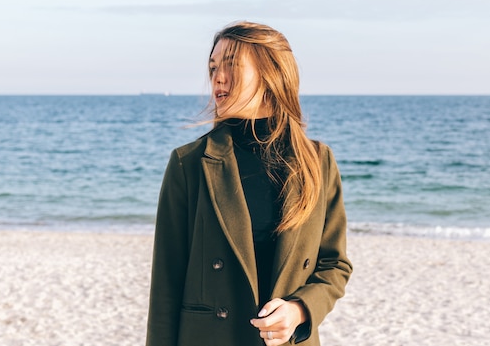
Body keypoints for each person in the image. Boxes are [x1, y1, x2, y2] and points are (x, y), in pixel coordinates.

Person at [145, 21, 352, 346]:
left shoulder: (317, 161)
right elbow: (165, 286)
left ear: (272, 72)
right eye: (213, 67)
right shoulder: (190, 164)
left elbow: (333, 264)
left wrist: (299, 310)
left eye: (231, 65)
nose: (218, 77)